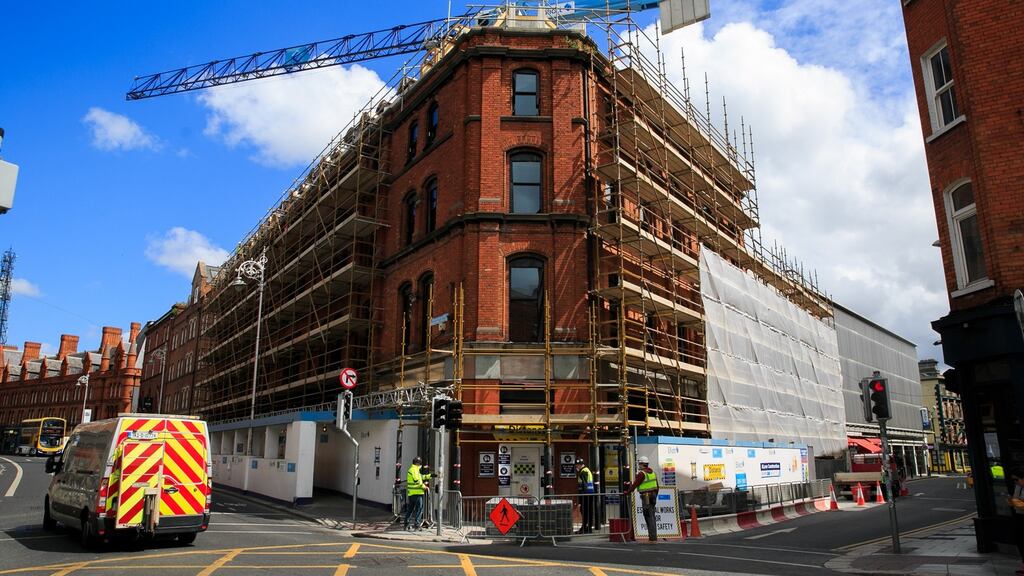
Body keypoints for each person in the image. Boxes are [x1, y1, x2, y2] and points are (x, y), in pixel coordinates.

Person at [624, 455, 659, 542]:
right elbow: (657, 486)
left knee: (648, 516)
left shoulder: (641, 474)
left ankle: (652, 537)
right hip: (654, 495)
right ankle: (653, 535)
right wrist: (655, 496)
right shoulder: (653, 473)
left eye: (640, 464)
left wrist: (627, 492)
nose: (639, 465)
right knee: (652, 515)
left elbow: (635, 485)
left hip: (646, 496)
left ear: (642, 464)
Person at [1008, 468, 1024, 576]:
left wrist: (1014, 501)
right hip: (1019, 515)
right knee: (1020, 541)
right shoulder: (1019, 487)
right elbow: (1016, 499)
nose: (1015, 482)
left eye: (1016, 480)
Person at [575, 458, 596, 534]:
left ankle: (584, 528)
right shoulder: (587, 470)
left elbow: (584, 484)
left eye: (577, 465)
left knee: (584, 511)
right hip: (590, 493)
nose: (576, 467)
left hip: (585, 494)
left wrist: (581, 498)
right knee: (589, 511)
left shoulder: (583, 472)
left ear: (580, 465)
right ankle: (588, 528)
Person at [404, 456, 425, 531]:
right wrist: (424, 486)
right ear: (417, 463)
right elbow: (417, 481)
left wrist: (430, 476)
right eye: (420, 463)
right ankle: (417, 525)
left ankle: (406, 524)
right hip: (417, 493)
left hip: (411, 494)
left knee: (410, 509)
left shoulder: (412, 469)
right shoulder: (415, 470)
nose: (420, 465)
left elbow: (420, 477)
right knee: (419, 509)